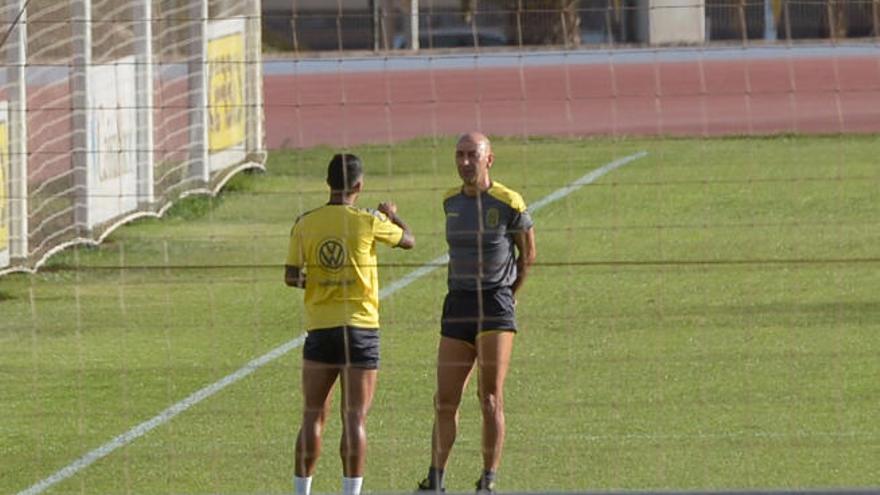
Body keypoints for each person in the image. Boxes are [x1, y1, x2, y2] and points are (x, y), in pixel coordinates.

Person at [285, 153, 415, 495]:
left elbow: (291, 276)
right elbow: (409, 240)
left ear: (328, 183)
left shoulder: (305, 223)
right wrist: (392, 214)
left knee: (312, 415)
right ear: (359, 185)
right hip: (361, 330)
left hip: (321, 330)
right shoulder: (368, 221)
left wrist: (321, 282)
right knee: (355, 417)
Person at [418, 132, 536, 493]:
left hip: (495, 306)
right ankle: (435, 480)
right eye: (460, 155)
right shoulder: (449, 201)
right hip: (458, 304)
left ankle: (487, 480)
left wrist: (510, 294)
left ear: (489, 159)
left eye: (472, 154)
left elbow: (528, 255)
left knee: (489, 398)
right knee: (444, 400)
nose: (465, 162)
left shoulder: (509, 201)